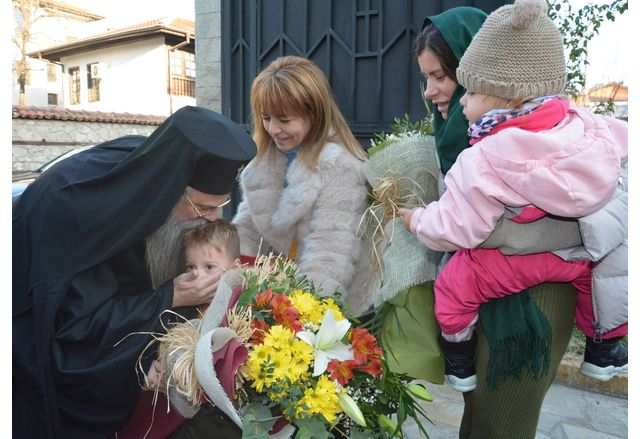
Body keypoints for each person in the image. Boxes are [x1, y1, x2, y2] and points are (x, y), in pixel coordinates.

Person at [398, 5, 622, 438]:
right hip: (481, 289)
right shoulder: (455, 132)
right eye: (425, 78)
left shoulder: (524, 137)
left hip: (533, 303)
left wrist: (530, 234)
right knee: (479, 416)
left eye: (442, 78)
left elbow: (612, 207)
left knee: (502, 423)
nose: (432, 92)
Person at [13, 106, 256, 438]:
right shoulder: (81, 213)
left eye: (221, 205)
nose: (212, 219)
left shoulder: (151, 172)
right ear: (170, 188)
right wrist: (170, 296)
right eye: (204, 208)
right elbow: (75, 330)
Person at [232, 55, 375, 314]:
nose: (273, 129)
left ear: (314, 114)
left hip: (333, 307)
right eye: (266, 118)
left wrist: (304, 317)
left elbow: (330, 251)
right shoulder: (265, 162)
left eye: (284, 120)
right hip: (283, 300)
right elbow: (247, 230)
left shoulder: (340, 166)